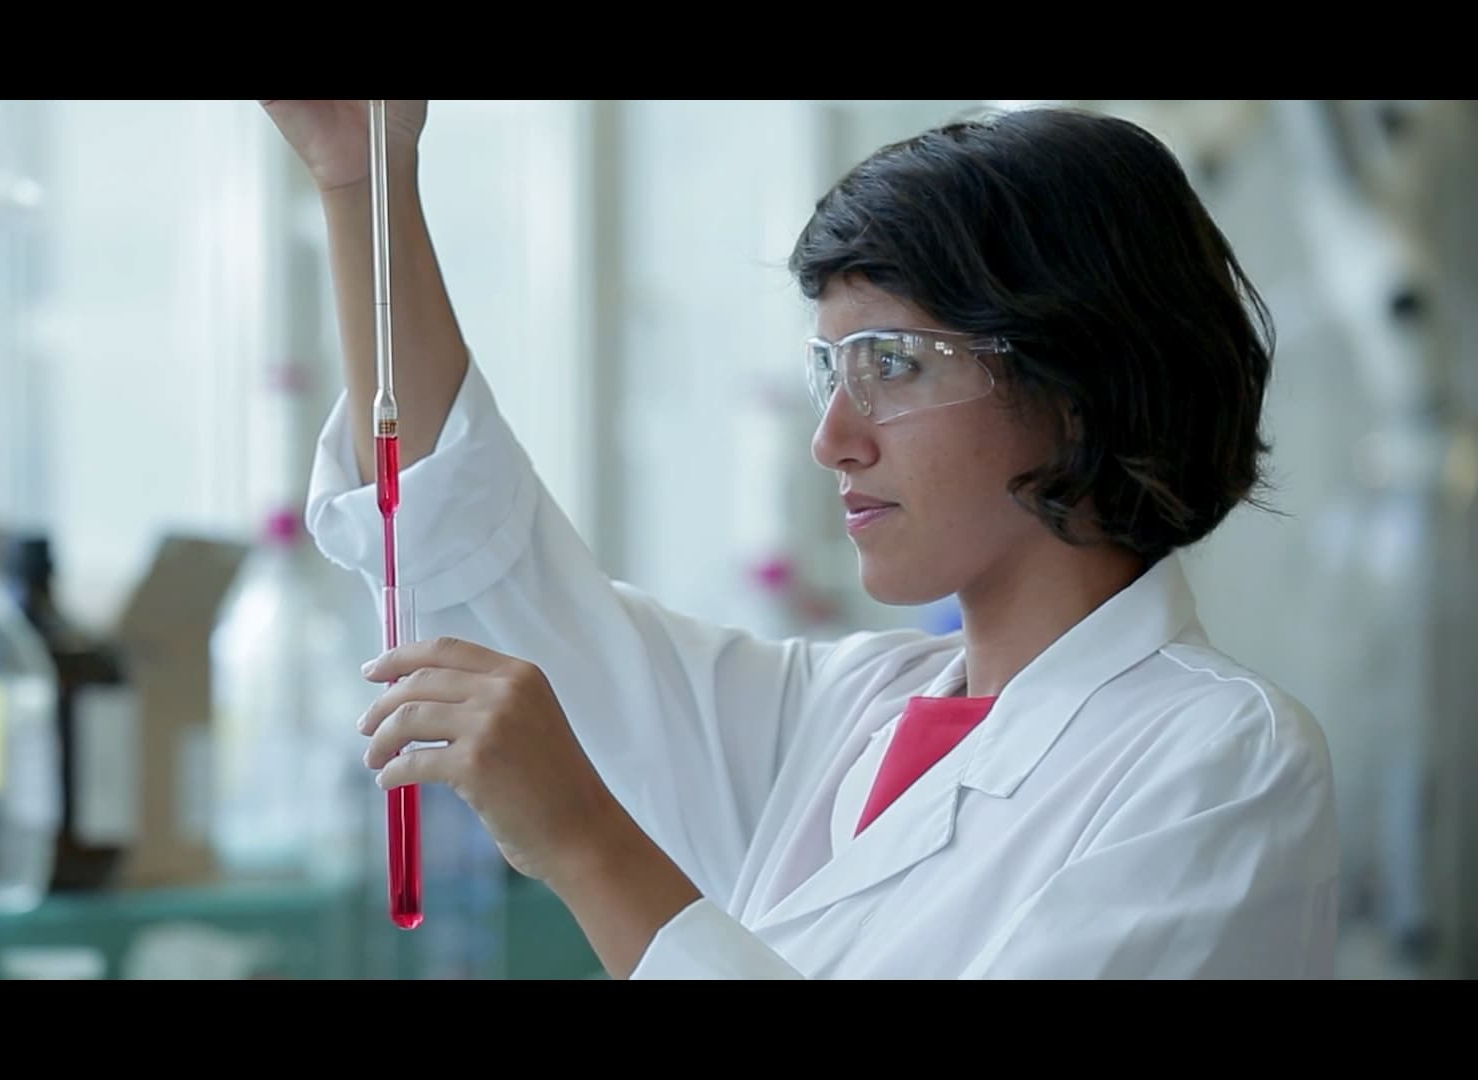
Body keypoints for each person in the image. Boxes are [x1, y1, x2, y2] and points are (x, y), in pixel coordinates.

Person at [261, 99, 1341, 979]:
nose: (832, 440)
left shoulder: (1219, 761)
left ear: (1079, 382)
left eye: (893, 365)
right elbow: (489, 558)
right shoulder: (838, 716)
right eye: (832, 370)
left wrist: (587, 844)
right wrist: (365, 179)